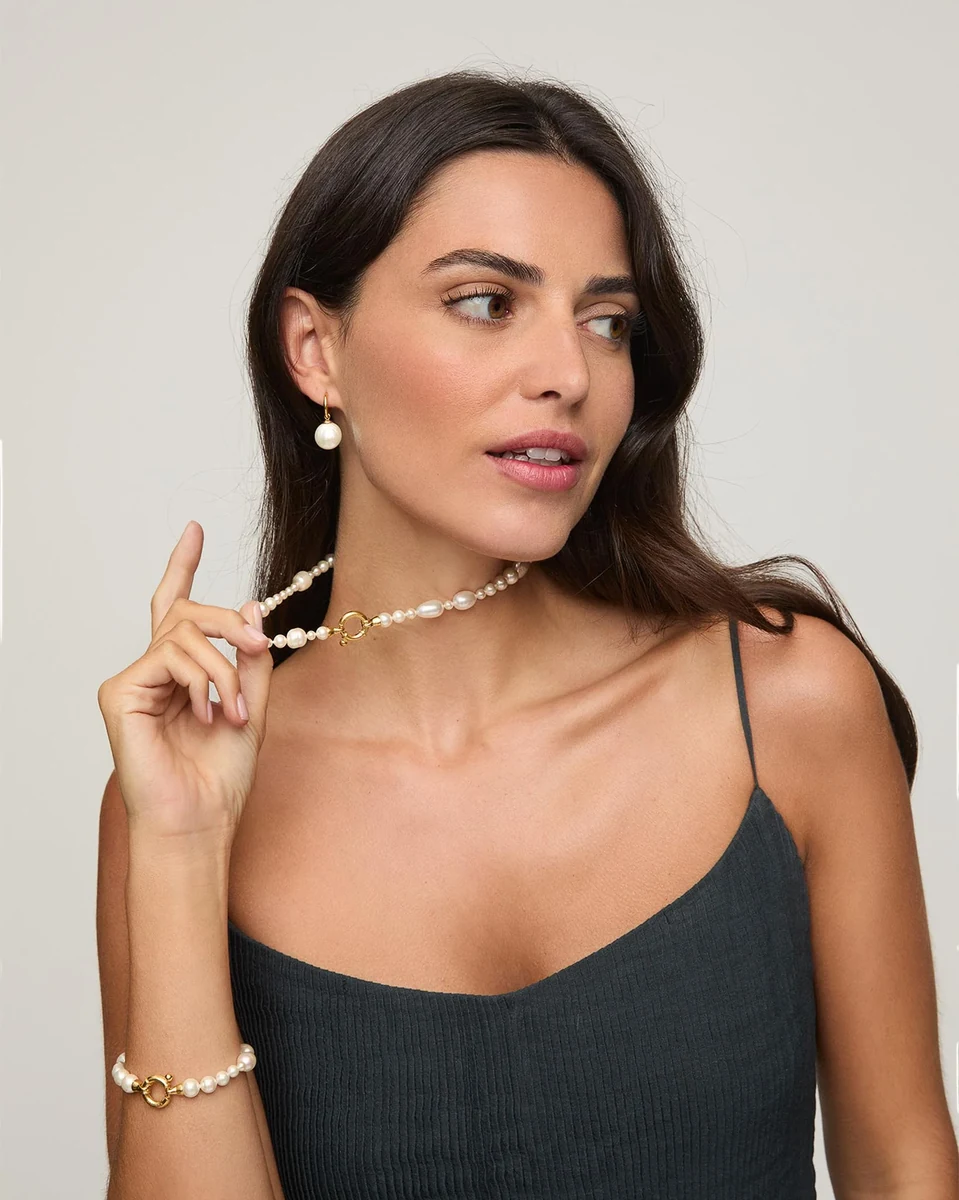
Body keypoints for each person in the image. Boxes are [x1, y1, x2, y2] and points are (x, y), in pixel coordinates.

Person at [95, 69, 959, 1199]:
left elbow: (905, 1167)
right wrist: (176, 850)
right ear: (315, 349)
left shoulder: (791, 703)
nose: (569, 375)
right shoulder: (181, 790)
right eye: (487, 302)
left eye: (606, 324)